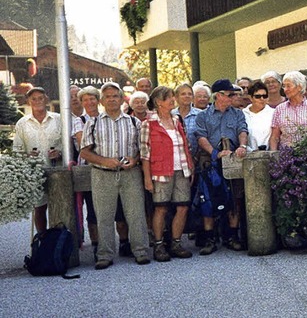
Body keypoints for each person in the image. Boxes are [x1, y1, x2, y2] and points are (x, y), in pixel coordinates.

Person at [80, 82, 150, 269]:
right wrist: (104, 161)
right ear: (102, 101)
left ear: (121, 99)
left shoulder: (134, 122)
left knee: (136, 213)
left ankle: (141, 251)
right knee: (104, 215)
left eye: (115, 96)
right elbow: (84, 152)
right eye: (108, 96)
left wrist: (134, 160)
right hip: (102, 174)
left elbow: (142, 149)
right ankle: (104, 254)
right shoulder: (92, 123)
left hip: (130, 173)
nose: (111, 99)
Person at [194, 79, 249, 254]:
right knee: (208, 198)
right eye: (230, 94)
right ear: (219, 96)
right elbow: (201, 137)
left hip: (232, 158)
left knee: (235, 197)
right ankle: (210, 239)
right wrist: (214, 153)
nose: (234, 96)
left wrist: (242, 146)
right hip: (211, 161)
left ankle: (231, 237)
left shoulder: (237, 113)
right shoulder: (203, 115)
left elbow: (242, 130)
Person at [140, 86, 194, 262]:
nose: (172, 100)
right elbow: (145, 154)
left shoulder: (177, 120)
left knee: (183, 206)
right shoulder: (148, 124)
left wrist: (191, 166)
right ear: (158, 102)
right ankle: (158, 244)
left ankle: (176, 243)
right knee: (161, 208)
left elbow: (186, 145)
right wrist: (147, 178)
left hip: (182, 168)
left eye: (172, 97)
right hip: (161, 171)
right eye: (168, 98)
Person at [13, 87, 62, 233]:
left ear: (46, 99)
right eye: (33, 99)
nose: (37, 101)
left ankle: (58, 243)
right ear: (28, 101)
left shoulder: (58, 119)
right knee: (39, 209)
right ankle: (42, 239)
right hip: (35, 173)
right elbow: (17, 150)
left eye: (40, 98)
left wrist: (59, 153)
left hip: (57, 170)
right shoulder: (22, 123)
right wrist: (28, 157)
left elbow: (68, 144)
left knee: (58, 208)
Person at [72, 86, 101, 258]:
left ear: (98, 100)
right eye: (85, 100)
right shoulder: (79, 120)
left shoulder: (106, 117)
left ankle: (121, 241)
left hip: (108, 166)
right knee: (92, 207)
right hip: (89, 167)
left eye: (92, 99)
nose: (89, 102)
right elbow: (83, 143)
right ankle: (97, 243)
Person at [270, 71, 307, 149]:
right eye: (284, 86)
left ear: (299, 87)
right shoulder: (279, 109)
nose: (285, 89)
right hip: (286, 156)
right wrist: (273, 156)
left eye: (288, 86)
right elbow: (275, 137)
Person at [173, 83, 203, 160]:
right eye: (183, 94)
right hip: (175, 160)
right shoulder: (170, 115)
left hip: (197, 160)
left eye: (190, 94)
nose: (187, 96)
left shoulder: (201, 115)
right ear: (176, 97)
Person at [243, 81, 275, 151]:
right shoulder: (243, 114)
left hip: (268, 155)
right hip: (247, 155)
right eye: (258, 96)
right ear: (250, 98)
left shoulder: (274, 113)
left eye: (264, 96)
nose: (262, 99)